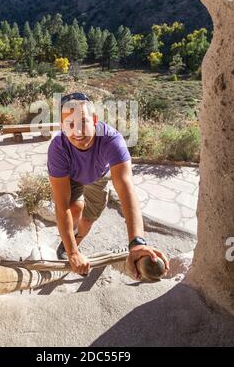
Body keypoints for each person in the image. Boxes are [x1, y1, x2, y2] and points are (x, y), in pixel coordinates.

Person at [47, 92, 169, 278]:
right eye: (70, 124)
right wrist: (72, 254)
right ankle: (68, 248)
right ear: (62, 126)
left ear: (94, 120)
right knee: (74, 208)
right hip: (71, 176)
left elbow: (126, 191)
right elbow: (61, 204)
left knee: (88, 219)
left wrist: (137, 242)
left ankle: (72, 243)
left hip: (98, 177)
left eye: (83, 122)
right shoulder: (58, 147)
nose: (77, 131)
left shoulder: (111, 140)